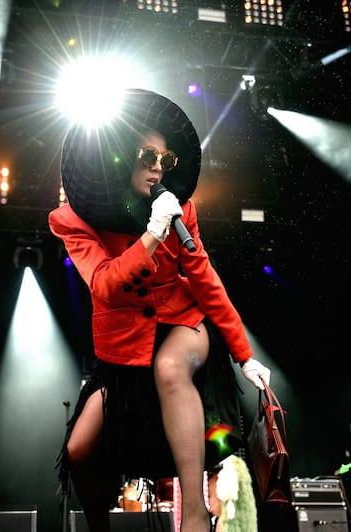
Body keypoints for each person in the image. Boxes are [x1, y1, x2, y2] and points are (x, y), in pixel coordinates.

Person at [48, 88, 272, 532]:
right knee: (79, 449)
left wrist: (245, 354)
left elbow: (205, 279)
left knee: (171, 368)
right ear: (117, 156)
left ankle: (194, 515)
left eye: (165, 160)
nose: (157, 165)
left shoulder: (181, 209)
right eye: (147, 154)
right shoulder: (71, 219)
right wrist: (151, 234)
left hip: (182, 321)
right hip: (123, 345)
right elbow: (106, 284)